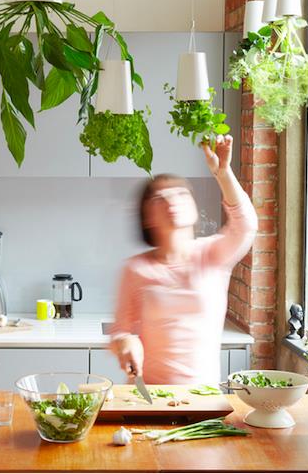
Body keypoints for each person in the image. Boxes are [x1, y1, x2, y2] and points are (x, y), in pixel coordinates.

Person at [110, 135, 258, 384]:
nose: (171, 201)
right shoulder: (136, 269)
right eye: (160, 198)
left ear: (193, 207)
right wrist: (126, 342)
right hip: (149, 399)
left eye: (180, 193)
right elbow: (120, 330)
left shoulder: (212, 254)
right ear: (146, 217)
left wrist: (223, 172)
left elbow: (246, 225)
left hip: (203, 399)